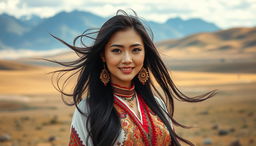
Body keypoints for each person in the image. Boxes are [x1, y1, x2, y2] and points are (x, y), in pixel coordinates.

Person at [48, 9, 217, 146]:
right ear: (103, 56)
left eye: (135, 50)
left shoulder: (158, 105)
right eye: (116, 50)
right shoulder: (87, 110)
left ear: (145, 53)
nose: (127, 59)